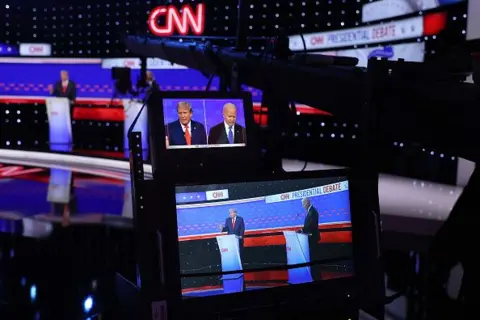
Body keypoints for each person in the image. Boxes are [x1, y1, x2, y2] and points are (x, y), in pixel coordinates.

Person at [299, 197, 321, 279]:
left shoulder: (313, 212)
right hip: (311, 238)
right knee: (312, 258)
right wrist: (302, 230)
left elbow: (311, 226)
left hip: (313, 238)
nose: (303, 206)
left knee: (314, 258)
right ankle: (314, 276)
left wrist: (302, 230)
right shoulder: (310, 211)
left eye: (303, 204)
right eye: (302, 204)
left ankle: (316, 277)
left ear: (307, 202)